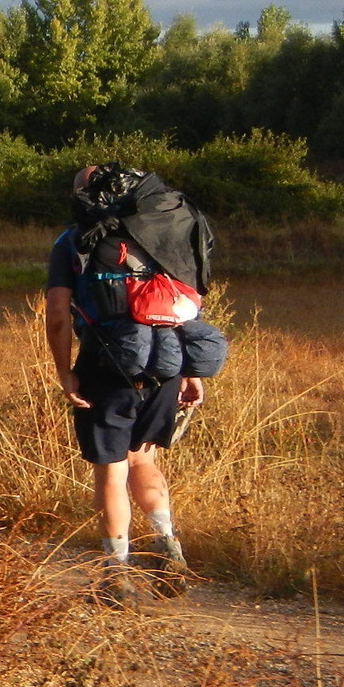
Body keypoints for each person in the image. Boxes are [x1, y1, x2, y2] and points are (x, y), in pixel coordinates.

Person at [45, 163, 216, 604]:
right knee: (143, 459)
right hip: (166, 364)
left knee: (112, 470)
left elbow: (58, 313)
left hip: (107, 367)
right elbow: (177, 306)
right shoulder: (157, 232)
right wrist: (191, 372)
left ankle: (115, 577)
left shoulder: (73, 240)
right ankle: (168, 548)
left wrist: (65, 372)